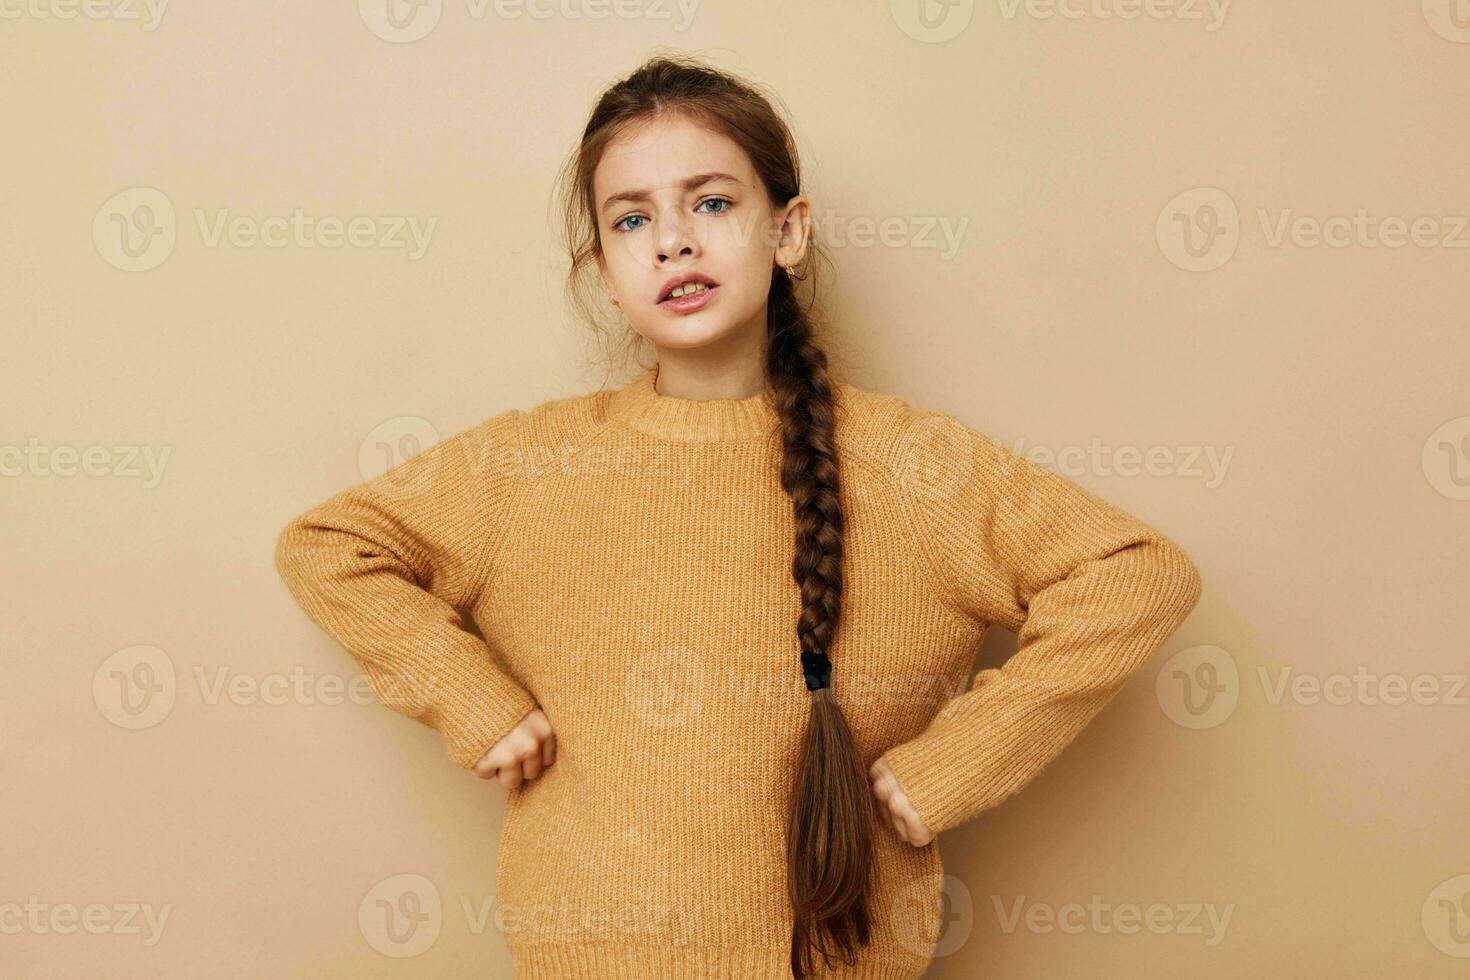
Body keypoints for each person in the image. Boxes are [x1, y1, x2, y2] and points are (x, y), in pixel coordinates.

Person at [273, 53, 1203, 980]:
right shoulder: (532, 464)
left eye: (710, 204)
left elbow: (1136, 574)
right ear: (605, 271)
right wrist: (472, 699)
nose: (672, 241)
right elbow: (329, 546)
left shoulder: (916, 466)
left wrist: (950, 770)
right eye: (631, 219)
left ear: (787, 230)